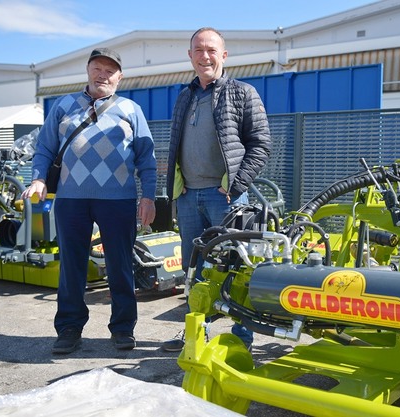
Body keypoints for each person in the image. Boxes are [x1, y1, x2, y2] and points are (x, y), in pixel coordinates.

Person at [21, 48, 157, 354]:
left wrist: (148, 197)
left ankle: (123, 328)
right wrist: (39, 179)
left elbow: (147, 159)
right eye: (98, 68)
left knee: (120, 265)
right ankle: (69, 328)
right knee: (71, 267)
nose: (103, 75)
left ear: (120, 77)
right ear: (88, 70)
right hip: (71, 200)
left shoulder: (131, 109)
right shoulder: (63, 105)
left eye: (110, 71)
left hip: (118, 200)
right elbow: (44, 148)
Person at [162, 27, 271, 352]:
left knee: (237, 269)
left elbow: (261, 145)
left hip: (226, 199)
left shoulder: (242, 93)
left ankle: (241, 340)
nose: (205, 56)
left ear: (223, 55)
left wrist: (236, 185)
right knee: (194, 271)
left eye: (211, 50)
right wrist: (177, 189)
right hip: (188, 198)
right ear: (190, 56)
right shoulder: (184, 96)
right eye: (198, 50)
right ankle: (196, 335)